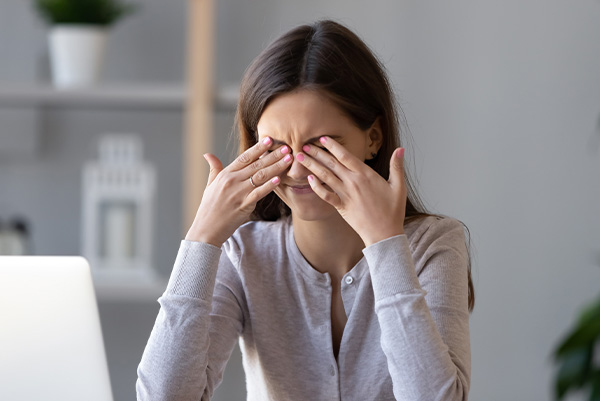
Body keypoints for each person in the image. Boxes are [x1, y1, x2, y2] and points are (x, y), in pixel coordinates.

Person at [137, 19, 474, 401]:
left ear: (373, 138)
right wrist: (202, 238)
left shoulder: (433, 244)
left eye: (320, 146)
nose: (296, 169)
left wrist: (385, 242)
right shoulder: (243, 253)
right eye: (276, 147)